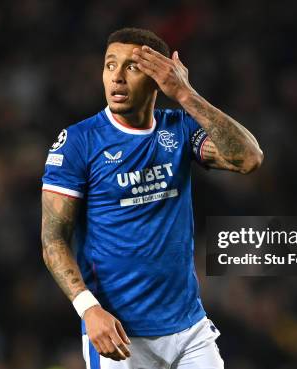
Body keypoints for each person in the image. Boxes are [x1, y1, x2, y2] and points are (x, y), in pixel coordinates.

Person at [40, 27, 263, 368]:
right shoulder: (78, 143)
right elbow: (52, 240)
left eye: (131, 67)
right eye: (110, 65)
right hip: (121, 335)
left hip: (190, 330)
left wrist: (185, 93)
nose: (116, 77)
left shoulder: (179, 129)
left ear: (159, 76)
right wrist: (89, 309)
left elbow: (248, 158)